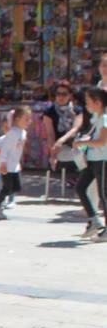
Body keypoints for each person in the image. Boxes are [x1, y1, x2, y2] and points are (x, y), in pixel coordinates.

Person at [75, 86, 107, 241]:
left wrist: (84, 142)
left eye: (88, 101)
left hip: (102, 160)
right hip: (93, 159)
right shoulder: (97, 117)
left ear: (98, 102)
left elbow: (102, 141)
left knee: (104, 195)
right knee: (80, 187)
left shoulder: (105, 118)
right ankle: (94, 219)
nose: (86, 105)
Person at [0, 105, 31, 220]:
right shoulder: (13, 133)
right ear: (17, 119)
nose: (29, 121)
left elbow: (18, 150)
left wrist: (18, 163)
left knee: (16, 187)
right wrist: (2, 164)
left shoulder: (23, 133)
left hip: (14, 166)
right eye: (26, 119)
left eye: (29, 119)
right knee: (7, 188)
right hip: (6, 165)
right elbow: (5, 150)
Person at [43, 80, 81, 152]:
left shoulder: (77, 110)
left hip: (74, 149)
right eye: (58, 94)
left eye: (64, 94)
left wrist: (62, 140)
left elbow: (75, 129)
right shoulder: (49, 112)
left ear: (70, 95)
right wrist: (53, 154)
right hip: (58, 150)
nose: (61, 97)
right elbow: (50, 134)